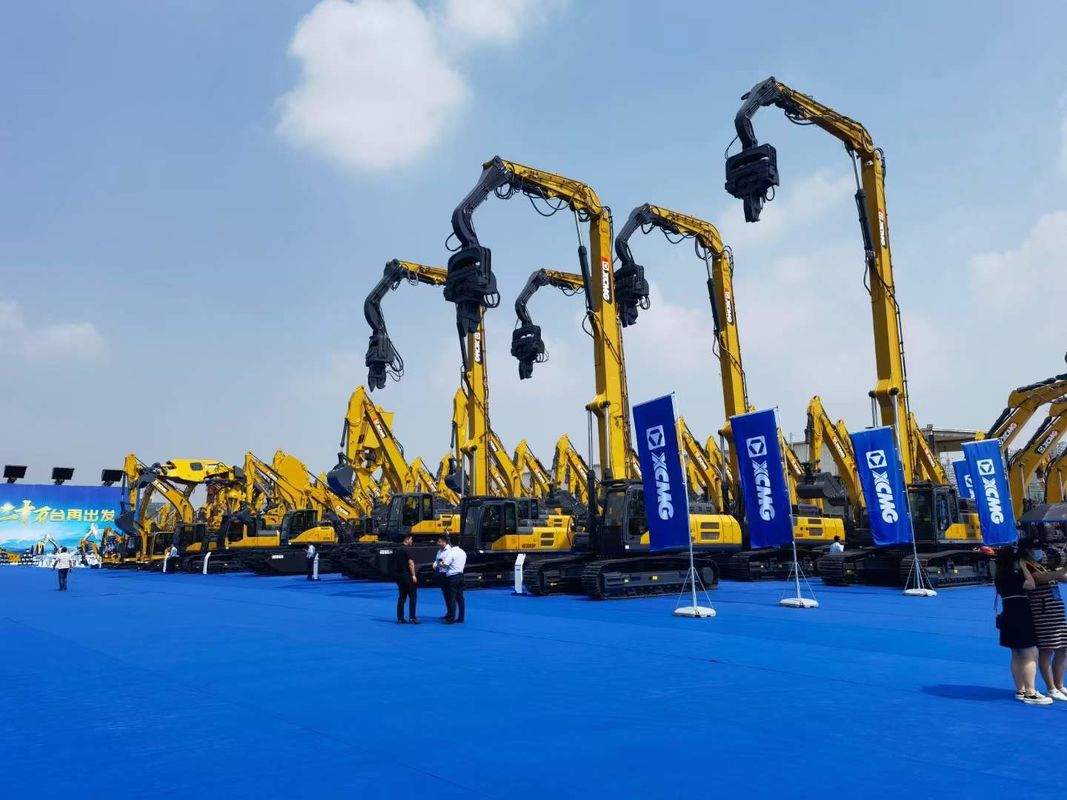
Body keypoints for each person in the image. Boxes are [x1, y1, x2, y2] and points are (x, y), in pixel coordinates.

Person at [993, 546, 1050, 704]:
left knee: (1016, 654)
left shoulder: (999, 574)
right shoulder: (1014, 574)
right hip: (1021, 614)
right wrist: (1024, 566)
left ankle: (1020, 689)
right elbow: (1031, 584)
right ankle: (1031, 692)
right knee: (1030, 653)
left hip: (1007, 613)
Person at [1020, 544, 1067, 701]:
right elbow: (1040, 578)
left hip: (1057, 613)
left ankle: (1059, 685)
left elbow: (1062, 577)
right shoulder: (1027, 565)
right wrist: (1062, 570)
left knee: (1063, 649)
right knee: (1047, 650)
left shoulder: (1046, 565)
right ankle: (1051, 688)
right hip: (1042, 613)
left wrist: (1061, 570)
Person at [433, 534, 466, 624]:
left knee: (451, 598)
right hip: (460, 575)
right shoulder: (463, 552)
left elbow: (445, 564)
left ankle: (451, 618)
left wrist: (440, 564)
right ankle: (461, 617)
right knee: (460, 598)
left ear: (449, 542)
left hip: (452, 576)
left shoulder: (451, 552)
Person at [394, 533, 419, 624]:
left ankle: (400, 618)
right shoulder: (407, 550)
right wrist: (413, 575)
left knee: (402, 597)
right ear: (407, 539)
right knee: (413, 596)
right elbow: (410, 563)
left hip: (399, 576)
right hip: (407, 576)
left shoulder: (397, 550)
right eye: (411, 539)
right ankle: (412, 618)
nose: (412, 541)